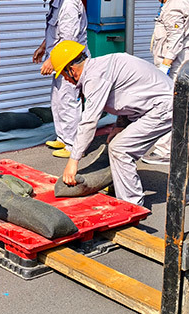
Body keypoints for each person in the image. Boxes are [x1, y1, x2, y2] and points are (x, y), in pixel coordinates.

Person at [49, 40, 174, 207]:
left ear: (71, 70)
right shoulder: (100, 67)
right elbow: (128, 97)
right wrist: (119, 126)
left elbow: (89, 122)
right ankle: (120, 185)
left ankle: (132, 206)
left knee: (120, 149)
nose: (66, 80)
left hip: (165, 107)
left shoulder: (94, 77)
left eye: (64, 76)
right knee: (116, 143)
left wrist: (73, 160)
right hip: (158, 104)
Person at [31, 0, 89, 159]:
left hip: (71, 62)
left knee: (68, 100)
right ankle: (63, 138)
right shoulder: (58, 2)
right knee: (58, 100)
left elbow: (68, 40)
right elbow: (55, 32)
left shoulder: (69, 4)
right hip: (61, 60)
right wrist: (42, 48)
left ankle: (74, 145)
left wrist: (51, 61)